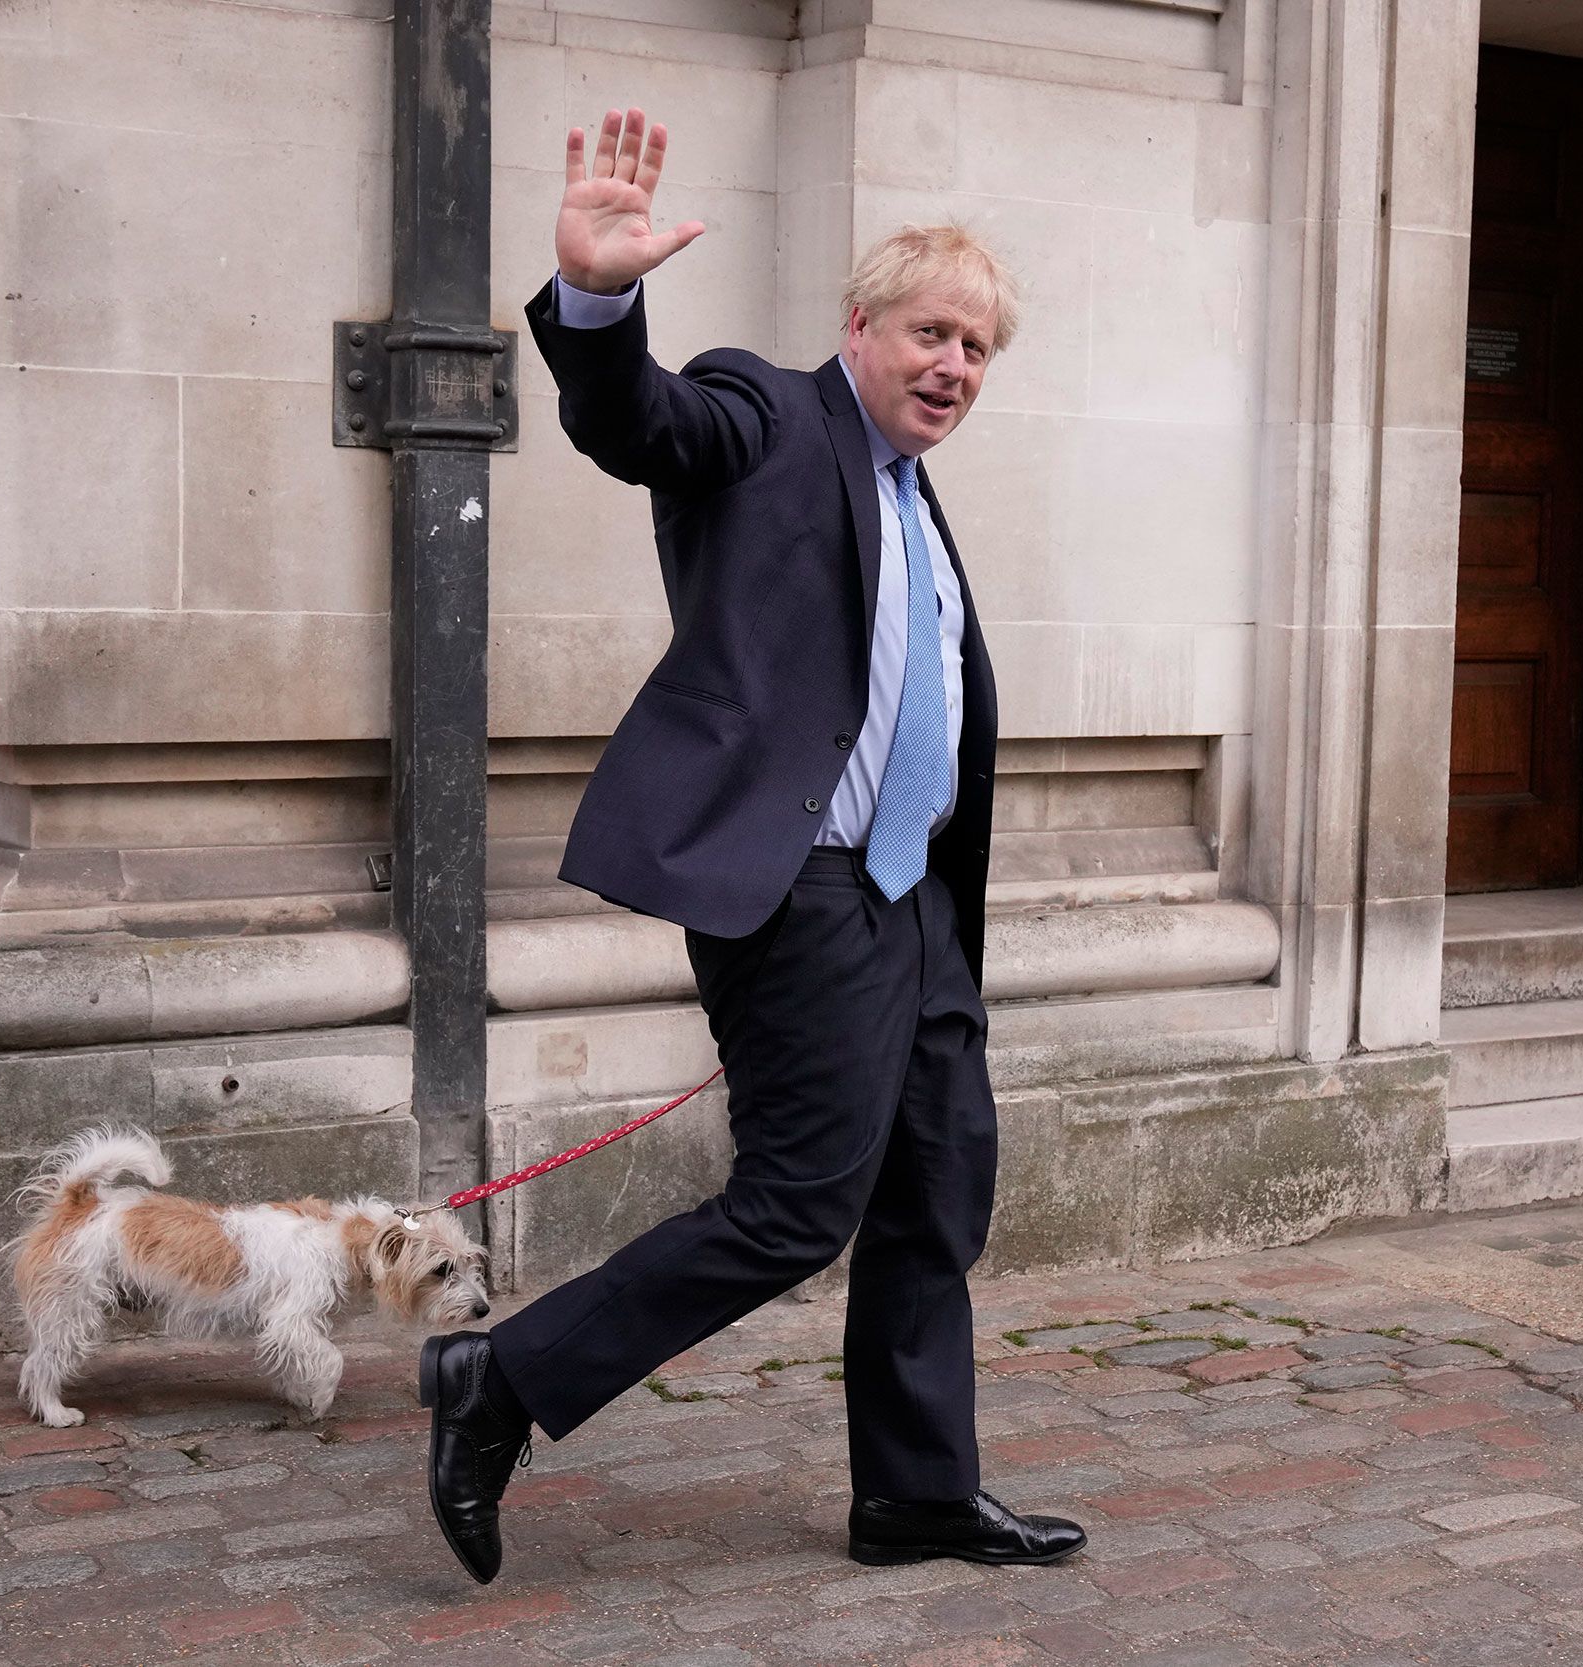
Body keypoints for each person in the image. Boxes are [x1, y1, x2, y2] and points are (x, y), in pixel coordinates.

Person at [417, 106, 1086, 1584]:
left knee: (935, 1192)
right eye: (931, 333)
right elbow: (637, 419)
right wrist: (598, 296)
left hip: (916, 906)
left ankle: (916, 1493)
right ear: (859, 326)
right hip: (804, 891)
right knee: (797, 1207)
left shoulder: (916, 501)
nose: (954, 368)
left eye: (978, 350)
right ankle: (503, 1381)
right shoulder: (769, 417)